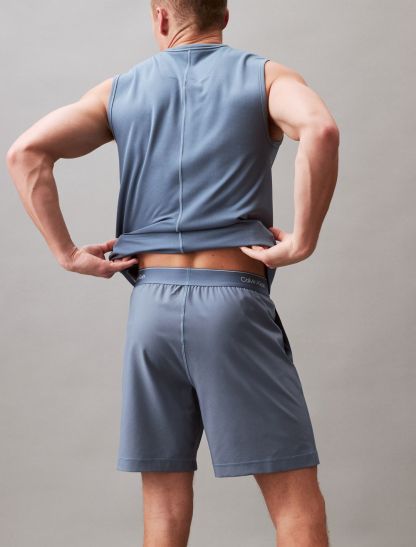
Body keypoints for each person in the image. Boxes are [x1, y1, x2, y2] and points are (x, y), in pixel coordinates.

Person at [6, 1, 339, 545]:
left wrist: (67, 253)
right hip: (231, 303)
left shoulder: (118, 91)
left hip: (151, 309)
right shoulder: (266, 78)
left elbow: (25, 152)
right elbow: (320, 130)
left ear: (161, 16)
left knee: (162, 505)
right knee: (294, 502)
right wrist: (304, 239)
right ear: (223, 16)